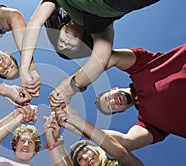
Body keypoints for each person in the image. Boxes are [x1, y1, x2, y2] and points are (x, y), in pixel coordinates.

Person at [17, 0, 159, 104]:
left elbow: (35, 23)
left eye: (61, 43)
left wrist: (25, 69)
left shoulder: (57, 3)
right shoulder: (99, 26)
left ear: (58, 29)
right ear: (82, 42)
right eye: (70, 47)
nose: (66, 43)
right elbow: (101, 59)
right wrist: (68, 88)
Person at [43, 109, 166, 166]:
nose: (85, 157)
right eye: (80, 159)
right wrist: (53, 139)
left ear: (98, 150)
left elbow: (119, 152)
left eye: (86, 150)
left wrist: (74, 120)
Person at [93, 44, 186, 150]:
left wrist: (78, 83)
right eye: (111, 107)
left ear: (114, 89)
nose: (113, 101)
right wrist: (79, 126)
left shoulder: (140, 68)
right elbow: (127, 142)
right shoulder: (150, 123)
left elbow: (112, 57)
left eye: (108, 98)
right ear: (121, 111)